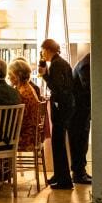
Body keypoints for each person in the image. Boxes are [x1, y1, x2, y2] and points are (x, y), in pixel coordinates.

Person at [69, 36, 102, 185]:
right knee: (79, 142)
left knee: (82, 142)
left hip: (82, 110)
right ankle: (78, 173)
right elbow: (90, 89)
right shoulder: (87, 65)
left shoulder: (90, 62)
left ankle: (80, 172)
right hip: (78, 111)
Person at [39, 39, 75, 189]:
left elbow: (58, 88)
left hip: (61, 107)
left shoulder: (56, 64)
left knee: (58, 143)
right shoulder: (60, 63)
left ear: (48, 50)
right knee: (57, 142)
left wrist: (45, 76)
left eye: (42, 50)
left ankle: (64, 180)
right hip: (66, 106)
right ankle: (59, 175)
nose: (42, 54)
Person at [8, 58, 44, 152]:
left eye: (10, 74)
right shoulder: (28, 87)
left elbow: (17, 120)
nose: (8, 78)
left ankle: (3, 161)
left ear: (17, 76)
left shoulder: (21, 93)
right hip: (33, 135)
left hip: (26, 138)